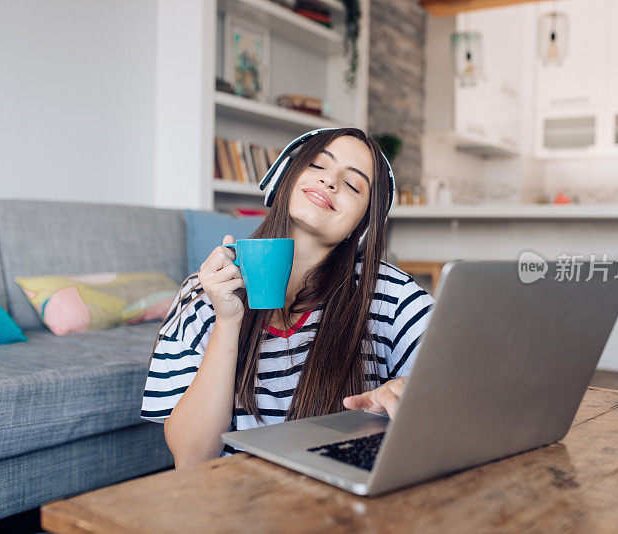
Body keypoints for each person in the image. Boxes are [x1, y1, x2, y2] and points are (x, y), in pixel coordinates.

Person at [140, 127, 435, 468]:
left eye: (353, 185)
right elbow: (192, 459)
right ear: (286, 176)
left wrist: (412, 392)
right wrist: (227, 320)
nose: (330, 182)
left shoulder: (389, 296)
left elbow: (468, 380)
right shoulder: (201, 293)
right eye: (317, 166)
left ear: (364, 222)